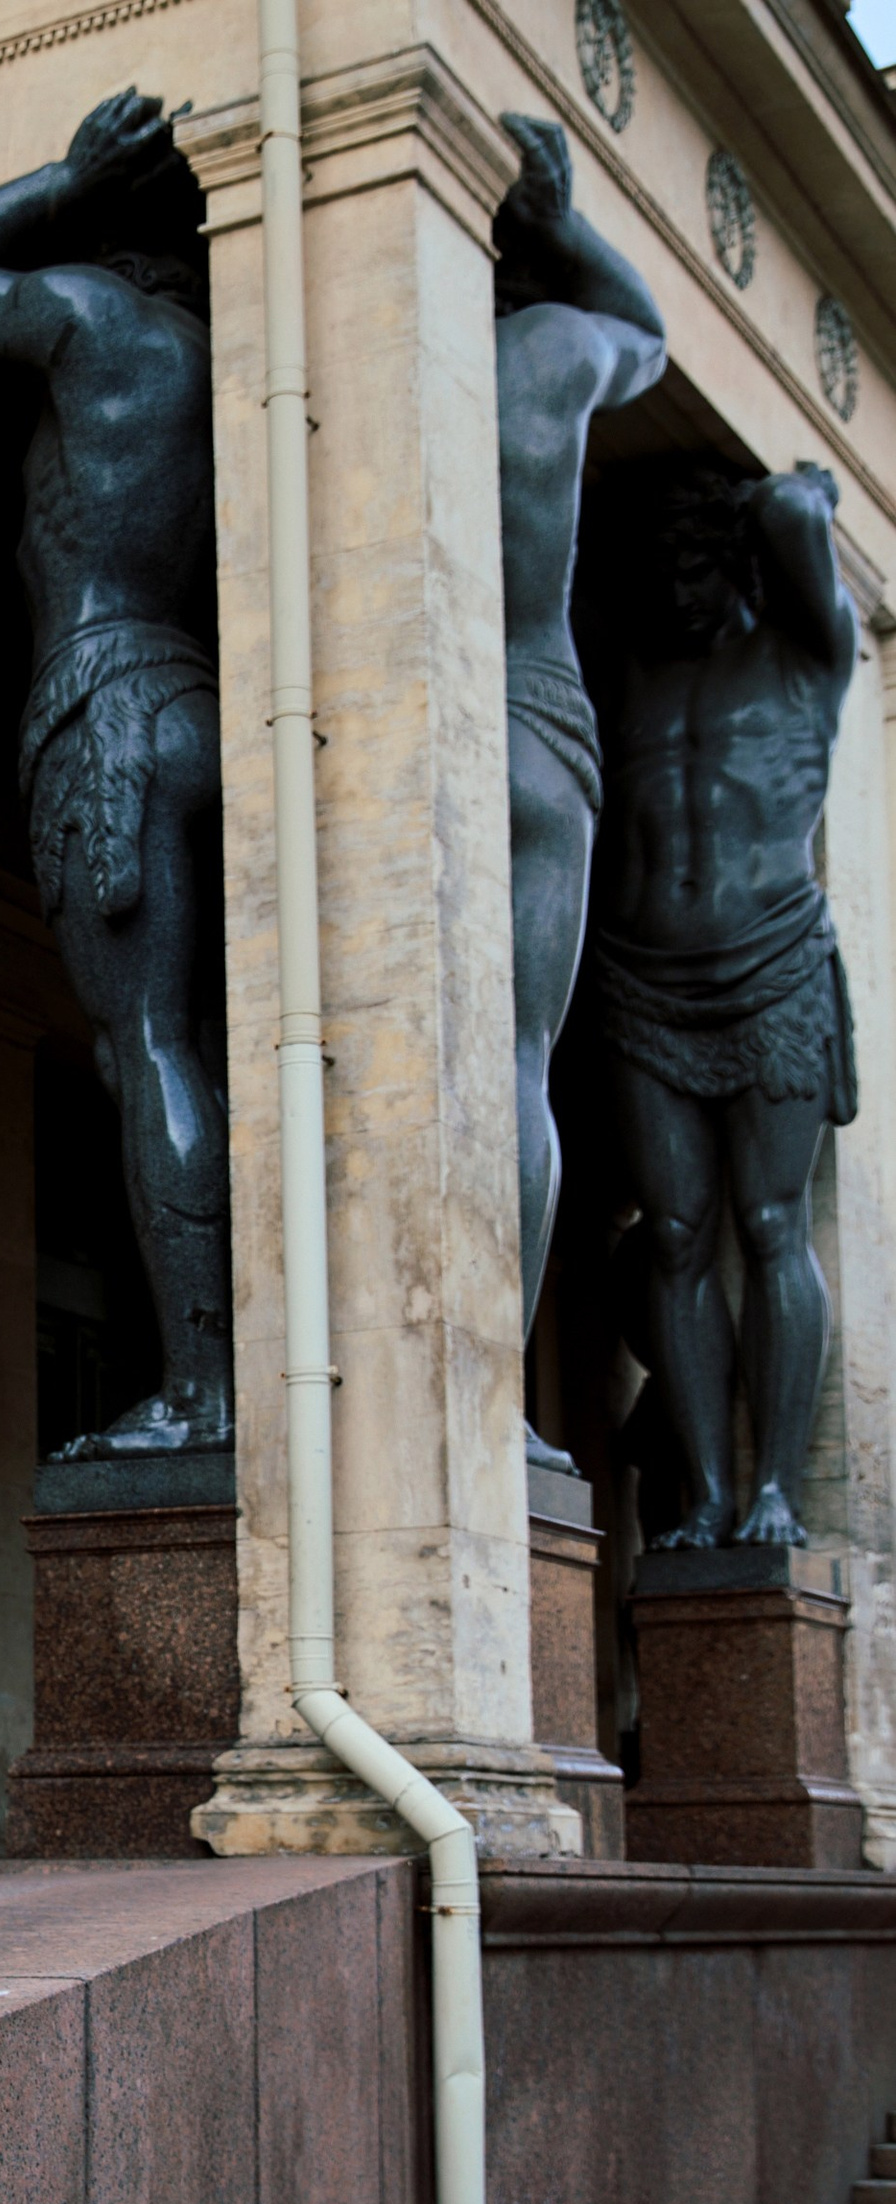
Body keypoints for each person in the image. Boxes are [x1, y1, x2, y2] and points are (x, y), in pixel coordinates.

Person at [0, 89, 229, 1457]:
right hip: (189, 688)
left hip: (101, 700)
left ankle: (200, 1390)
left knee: (147, 1049)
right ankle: (225, 1372)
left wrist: (63, 182)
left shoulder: (92, 316)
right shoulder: (221, 359)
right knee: (193, 1048)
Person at [584, 457, 856, 1546]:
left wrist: (785, 501)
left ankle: (776, 1489)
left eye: (697, 567)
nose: (678, 592)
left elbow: (792, 506)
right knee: (676, 1233)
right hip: (643, 979)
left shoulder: (805, 655)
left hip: (772, 965)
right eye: (662, 571)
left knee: (772, 1221)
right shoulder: (631, 670)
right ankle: (703, 1495)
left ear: (739, 562)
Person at [488, 114, 665, 1463]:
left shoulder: (348, 327)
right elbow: (646, 333)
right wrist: (567, 227)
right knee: (515, 1061)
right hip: (540, 715)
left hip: (388, 697)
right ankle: (487, 1391)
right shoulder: (551, 350)